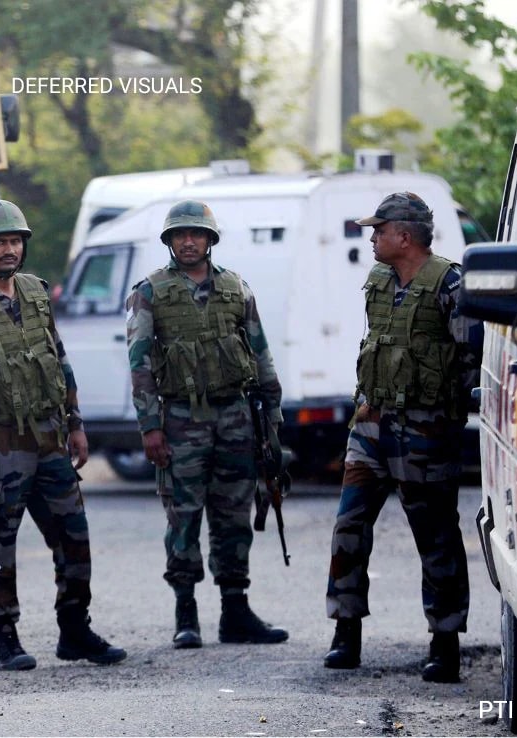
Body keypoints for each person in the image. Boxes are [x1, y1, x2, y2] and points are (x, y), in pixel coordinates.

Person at [0, 199, 126, 671]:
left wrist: (76, 424)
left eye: (15, 240)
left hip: (49, 439)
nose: (9, 249)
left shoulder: (38, 293)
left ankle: (75, 629)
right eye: (0, 242)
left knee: (73, 535)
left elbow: (58, 360)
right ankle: (6, 638)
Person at [323, 192, 482, 682]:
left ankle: (445, 641)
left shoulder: (450, 283)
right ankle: (345, 632)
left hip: (426, 431)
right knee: (348, 527)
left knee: (435, 536)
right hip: (370, 425)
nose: (372, 237)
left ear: (404, 236)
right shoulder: (377, 280)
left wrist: (442, 414)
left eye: (379, 230)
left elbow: (472, 359)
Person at [125, 199, 289, 650]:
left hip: (235, 417)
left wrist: (272, 422)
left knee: (233, 515)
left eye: (197, 234)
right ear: (170, 241)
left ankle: (235, 611)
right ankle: (186, 613)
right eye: (180, 235)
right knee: (183, 516)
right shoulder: (150, 292)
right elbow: (138, 363)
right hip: (180, 418)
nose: (189, 241)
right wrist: (150, 426)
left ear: (210, 240)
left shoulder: (237, 288)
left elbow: (261, 354)